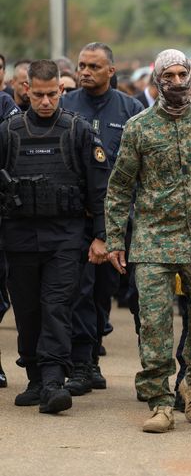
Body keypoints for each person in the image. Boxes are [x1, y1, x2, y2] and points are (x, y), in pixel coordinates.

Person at [105, 49, 191, 433]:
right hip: (153, 239)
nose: (177, 82)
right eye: (170, 76)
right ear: (157, 80)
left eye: (183, 75)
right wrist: (114, 238)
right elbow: (120, 187)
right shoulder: (139, 127)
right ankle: (159, 401)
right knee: (154, 321)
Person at [0, 59, 110, 414]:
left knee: (57, 307)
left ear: (61, 90)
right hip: (19, 237)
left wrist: (101, 237)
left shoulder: (78, 131)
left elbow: (99, 189)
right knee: (27, 310)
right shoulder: (8, 132)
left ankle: (52, 381)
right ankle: (35, 378)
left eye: (52, 94)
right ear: (26, 90)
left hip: (64, 237)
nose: (45, 101)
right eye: (38, 95)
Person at [60, 42, 144, 396]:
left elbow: (142, 166)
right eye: (81, 65)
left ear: (111, 70)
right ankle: (81, 364)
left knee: (103, 291)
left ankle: (92, 356)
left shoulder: (131, 109)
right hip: (76, 217)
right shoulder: (65, 105)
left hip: (118, 219)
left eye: (94, 66)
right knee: (78, 289)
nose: (85, 71)